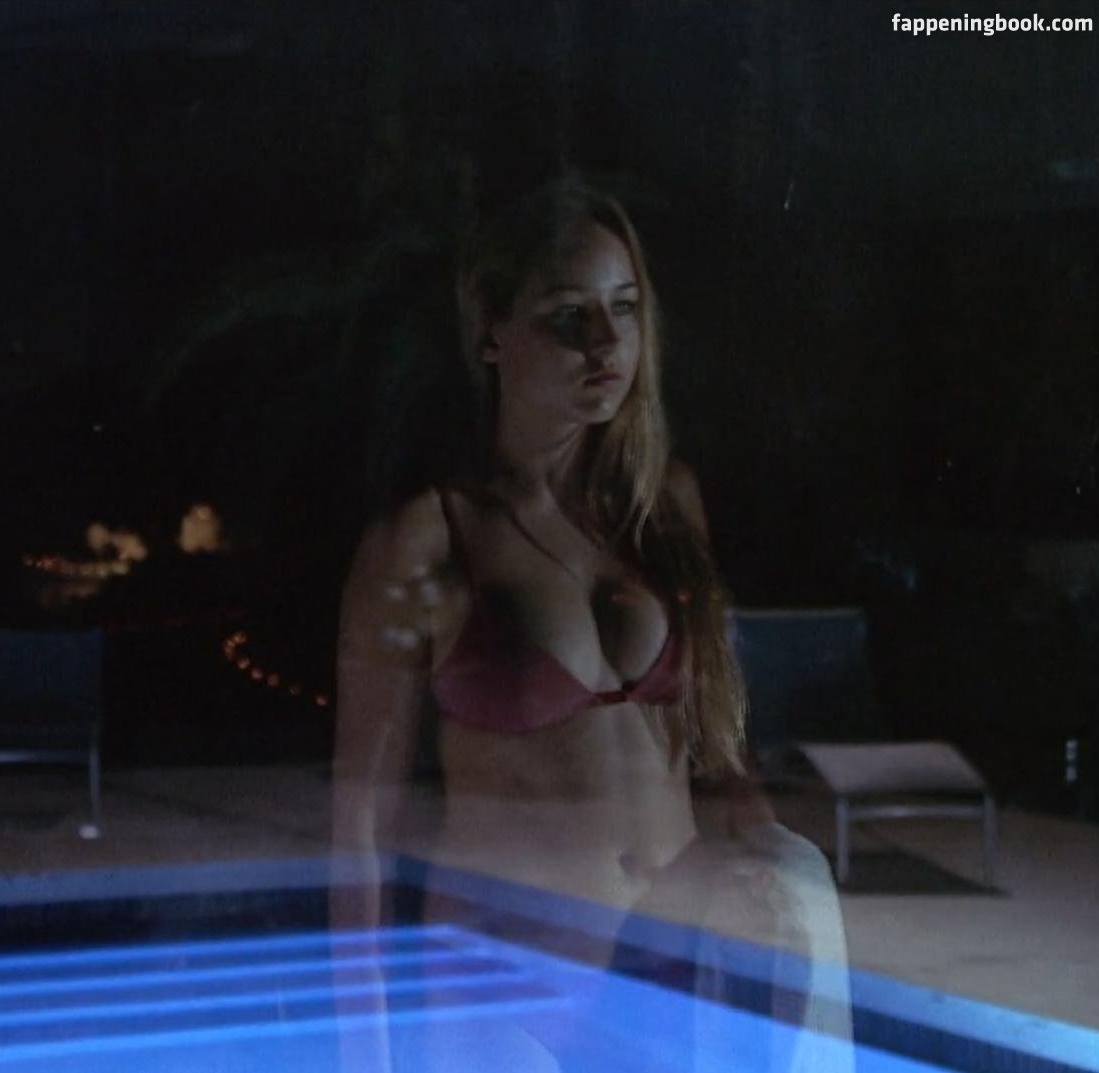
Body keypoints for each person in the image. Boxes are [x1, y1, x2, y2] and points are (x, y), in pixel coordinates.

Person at [331, 178, 851, 1071]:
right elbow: (362, 834)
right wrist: (364, 1053)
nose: (607, 344)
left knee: (792, 864)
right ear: (491, 333)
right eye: (570, 317)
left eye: (626, 308)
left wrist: (772, 899)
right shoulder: (432, 537)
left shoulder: (665, 513)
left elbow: (726, 763)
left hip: (673, 981)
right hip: (509, 984)